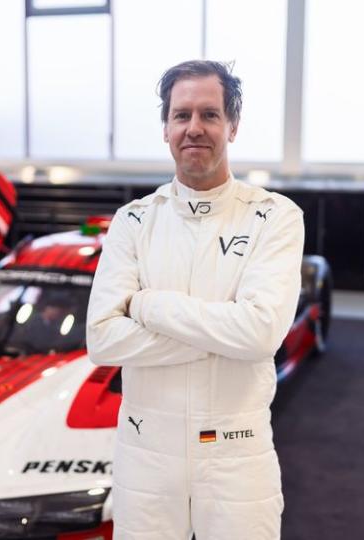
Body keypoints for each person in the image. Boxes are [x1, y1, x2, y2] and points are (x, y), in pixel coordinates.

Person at [86, 60, 304, 539]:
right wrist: (225, 335)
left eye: (209, 114)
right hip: (145, 457)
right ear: (166, 128)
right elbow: (102, 340)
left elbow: (260, 333)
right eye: (182, 115)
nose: (194, 128)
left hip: (237, 455)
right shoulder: (134, 221)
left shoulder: (274, 217)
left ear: (233, 125)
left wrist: (147, 307)